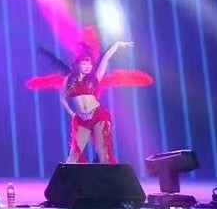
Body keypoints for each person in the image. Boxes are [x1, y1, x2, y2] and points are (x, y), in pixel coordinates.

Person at [27, 28, 151, 164]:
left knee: (104, 154)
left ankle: (108, 177)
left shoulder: (94, 79)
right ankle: (67, 178)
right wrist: (72, 113)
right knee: (74, 155)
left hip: (98, 116)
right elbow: (63, 98)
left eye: (90, 64)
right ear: (78, 64)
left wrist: (117, 45)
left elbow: (106, 58)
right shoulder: (69, 79)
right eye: (85, 63)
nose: (88, 66)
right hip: (81, 120)